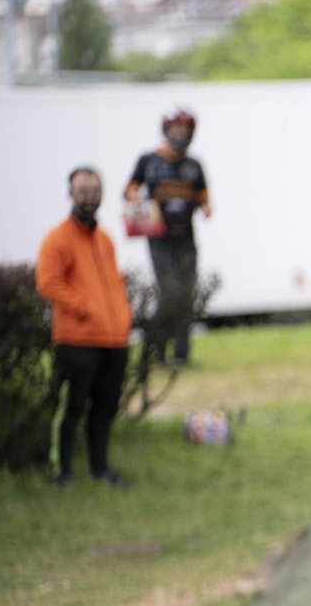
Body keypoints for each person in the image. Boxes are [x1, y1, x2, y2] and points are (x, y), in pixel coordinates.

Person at [36, 167, 132, 489]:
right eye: (83, 190)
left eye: (95, 190)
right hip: (76, 340)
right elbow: (48, 282)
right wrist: (84, 307)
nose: (89, 197)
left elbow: (113, 283)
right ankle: (61, 471)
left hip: (113, 339)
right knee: (71, 407)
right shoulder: (58, 238)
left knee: (105, 409)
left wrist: (121, 313)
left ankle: (99, 469)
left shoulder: (104, 239)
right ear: (71, 193)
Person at [125, 106, 210, 367]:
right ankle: (156, 352)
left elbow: (204, 198)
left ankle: (181, 355)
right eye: (176, 128)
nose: (180, 133)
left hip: (186, 238)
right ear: (167, 130)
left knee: (186, 294)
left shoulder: (193, 166)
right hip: (159, 239)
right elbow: (130, 189)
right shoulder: (149, 160)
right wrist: (136, 199)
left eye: (185, 129)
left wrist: (205, 206)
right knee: (169, 292)